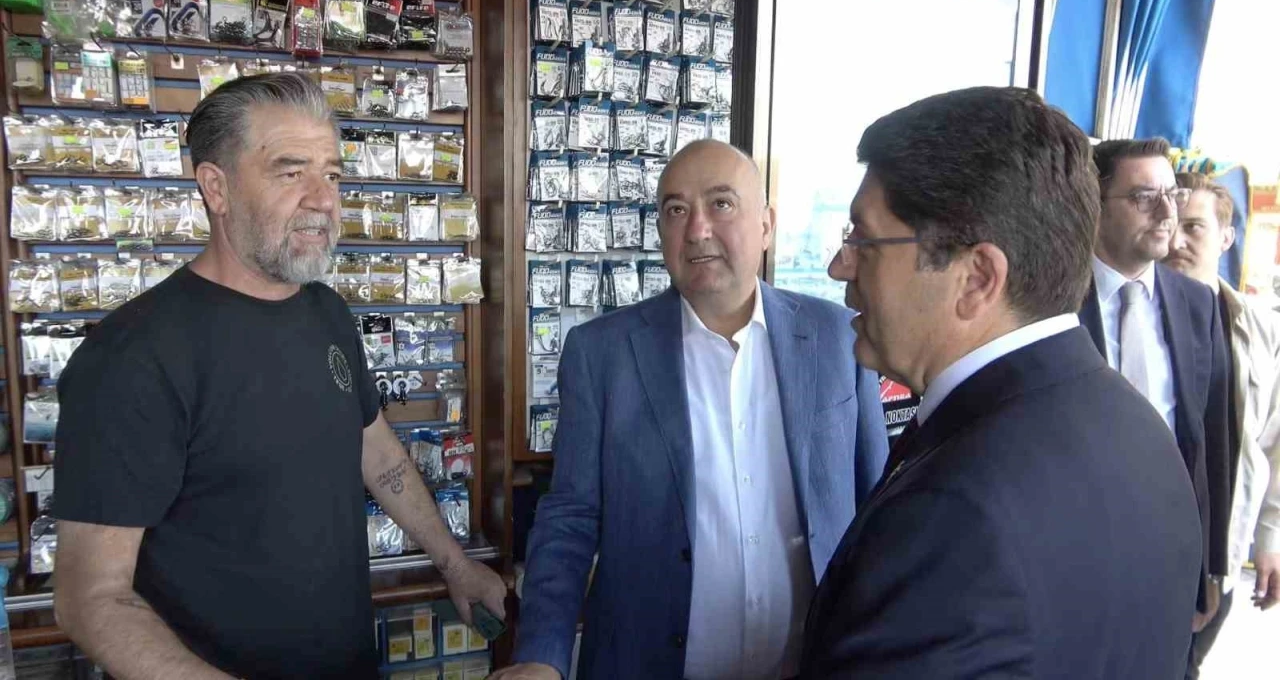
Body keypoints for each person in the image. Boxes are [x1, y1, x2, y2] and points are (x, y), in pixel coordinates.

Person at [50, 74, 506, 680]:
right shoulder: (133, 357)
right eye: (291, 173)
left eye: (332, 175)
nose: (323, 199)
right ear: (216, 188)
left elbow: (376, 452)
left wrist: (454, 562)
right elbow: (91, 599)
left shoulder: (327, 312)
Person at [804, 87, 1202, 679]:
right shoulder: (1142, 431)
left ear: (977, 278)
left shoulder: (949, 517)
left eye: (863, 239)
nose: (839, 266)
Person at [493, 140, 889, 680]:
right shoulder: (602, 353)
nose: (697, 229)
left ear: (767, 225)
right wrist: (541, 655)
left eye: (721, 204)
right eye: (676, 210)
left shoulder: (838, 336)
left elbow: (877, 509)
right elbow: (569, 516)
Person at [1079, 138, 1233, 633]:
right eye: (1145, 197)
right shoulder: (1051, 300)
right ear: (1095, 205)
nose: (1168, 212)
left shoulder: (1197, 304)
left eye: (1173, 194)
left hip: (1170, 556)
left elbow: (1213, 440)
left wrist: (1211, 567)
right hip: (1076, 552)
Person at [1164, 171, 1280, 678]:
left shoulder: (1260, 329)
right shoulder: (1128, 317)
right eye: (1170, 225)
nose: (1176, 240)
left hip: (1219, 555)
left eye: (1194, 227)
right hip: (1145, 543)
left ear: (1227, 237)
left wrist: (1270, 539)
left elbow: (1273, 441)